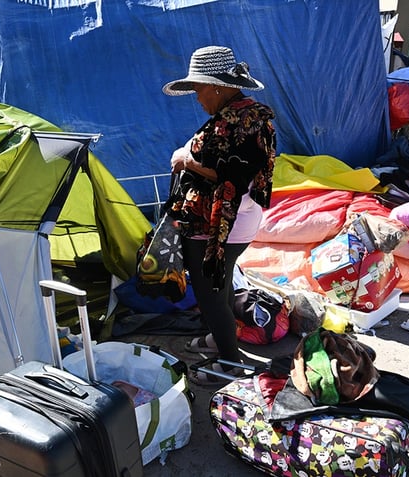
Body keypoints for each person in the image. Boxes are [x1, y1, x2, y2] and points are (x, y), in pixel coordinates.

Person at [162, 45, 276, 385]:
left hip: (221, 224)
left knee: (210, 292)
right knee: (221, 286)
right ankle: (221, 339)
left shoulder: (240, 120)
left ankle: (229, 362)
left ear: (216, 86)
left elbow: (233, 176)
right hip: (232, 220)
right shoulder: (244, 115)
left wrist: (186, 162)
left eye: (198, 90)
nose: (197, 98)